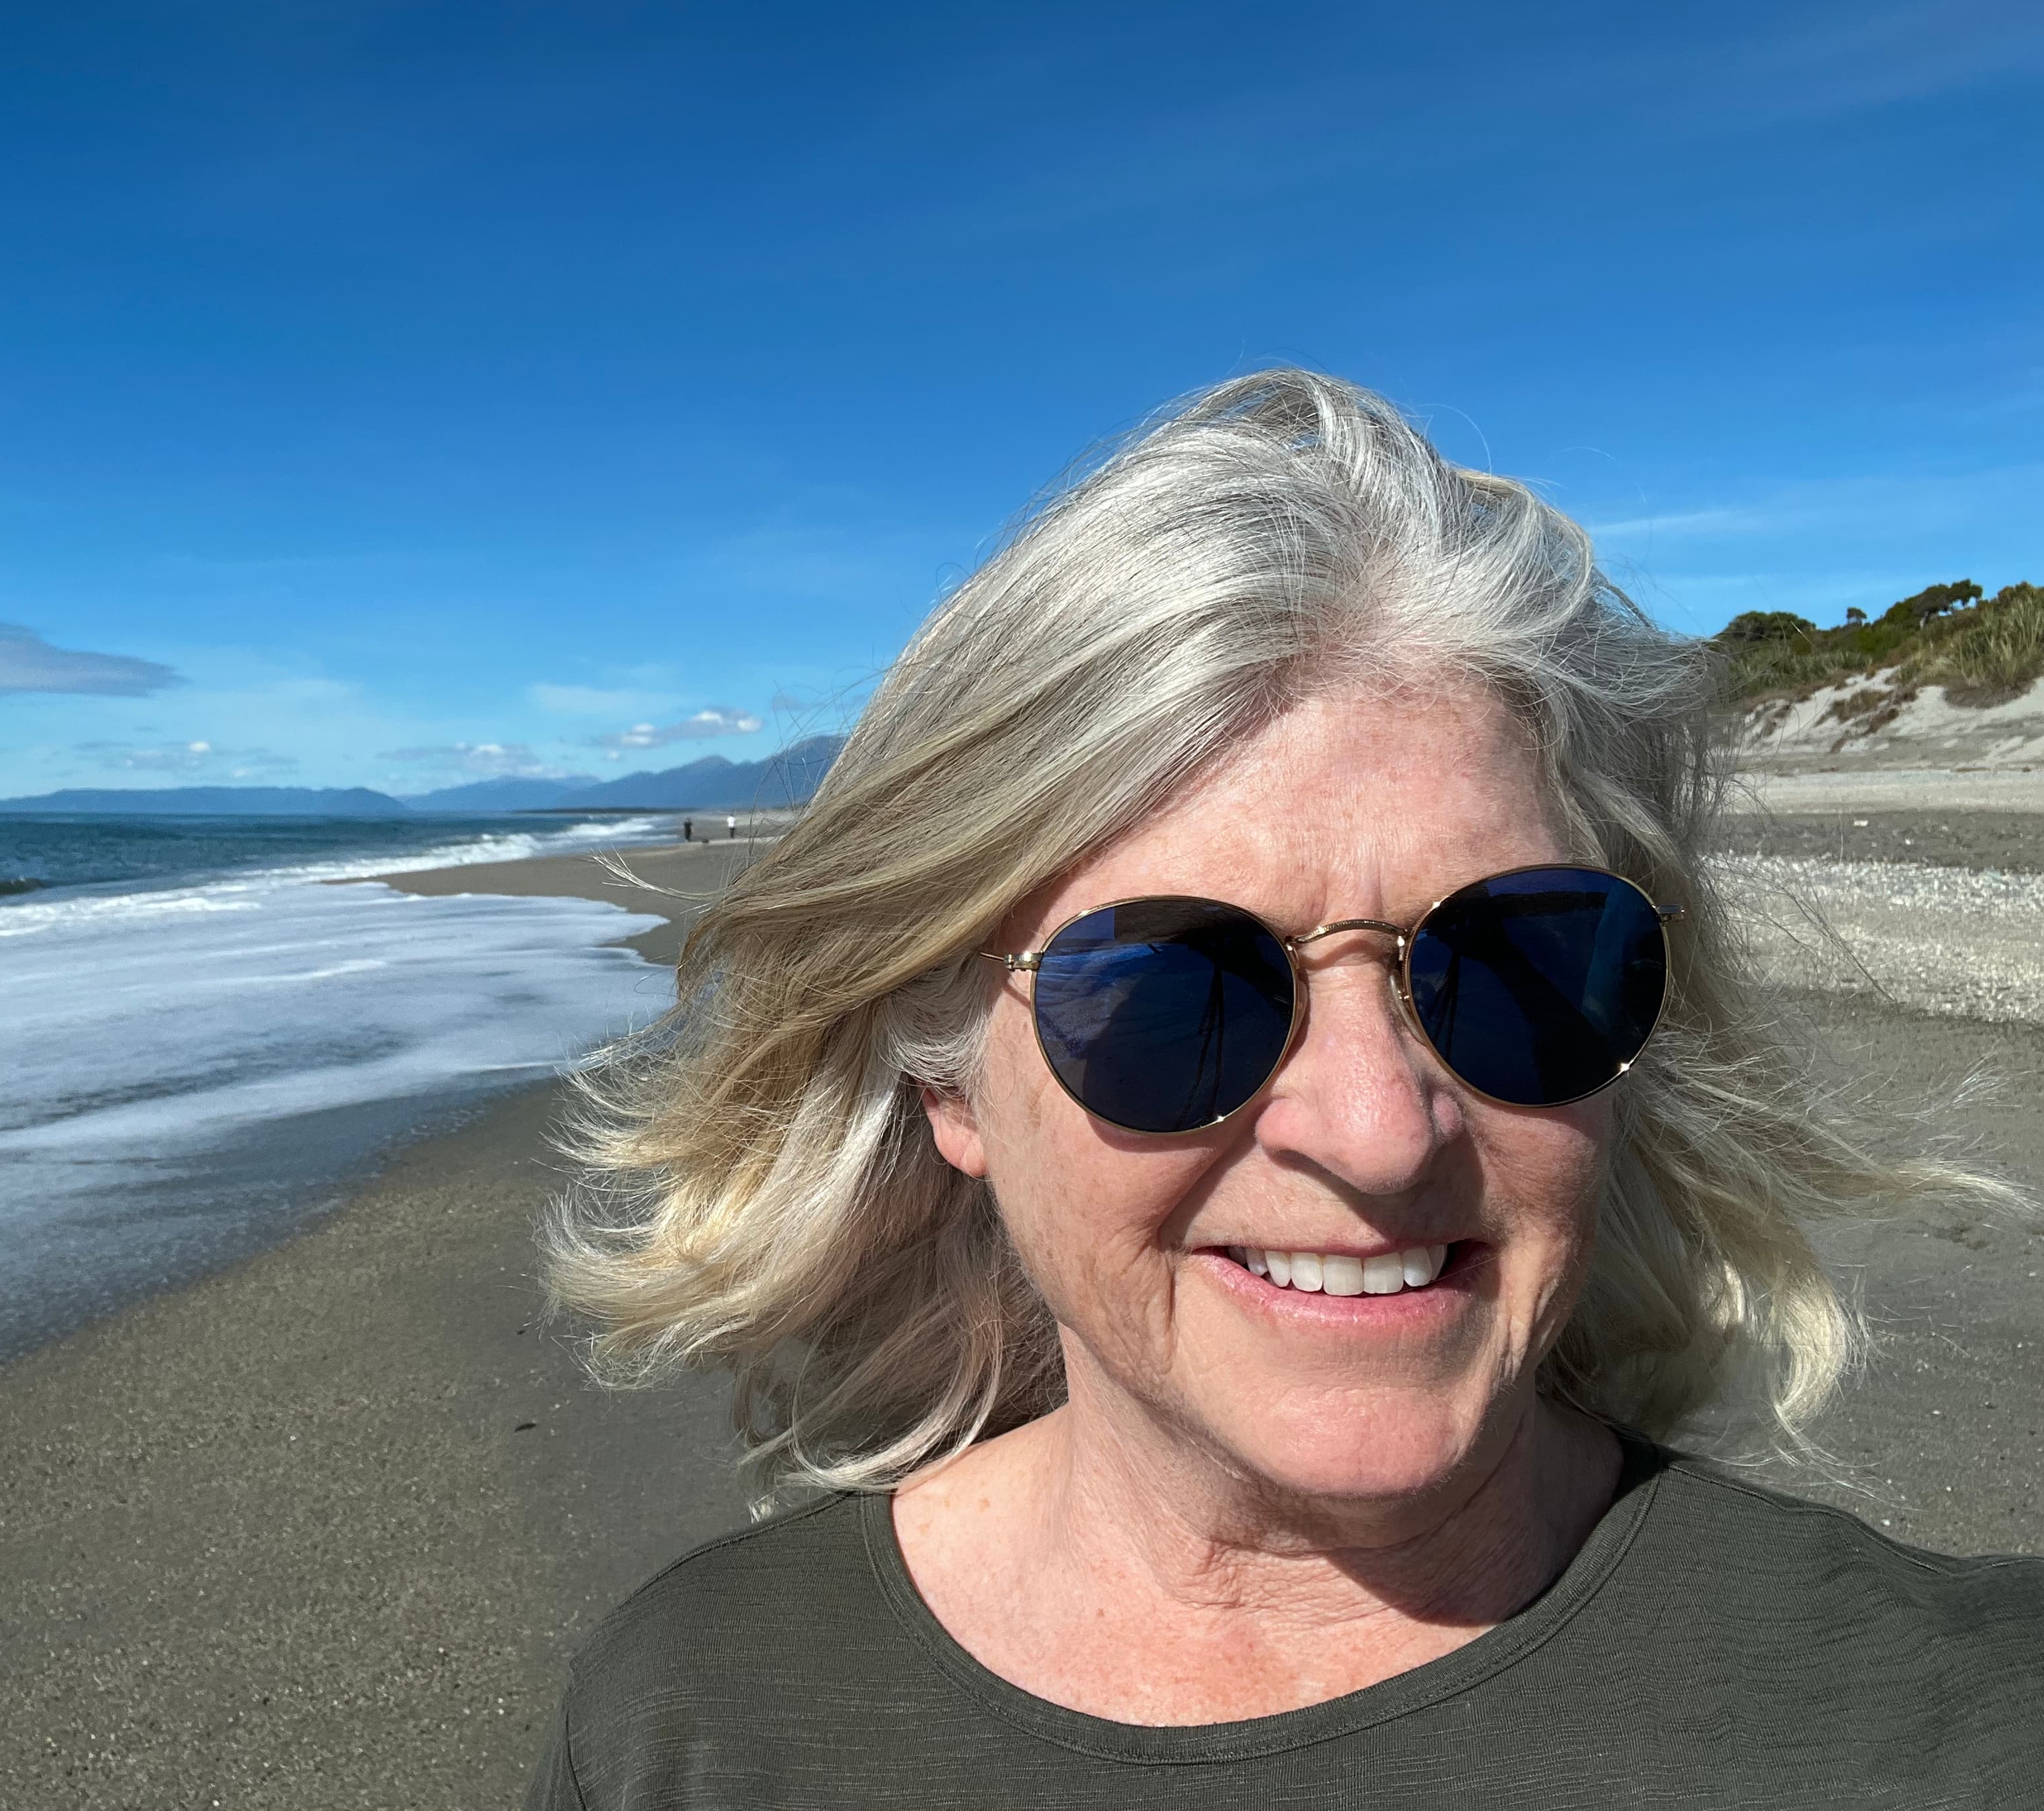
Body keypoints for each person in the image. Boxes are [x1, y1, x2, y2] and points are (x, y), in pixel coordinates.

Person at [523, 371, 2041, 1808]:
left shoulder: (1955, 1720)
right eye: (1178, 993)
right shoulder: (693, 1725)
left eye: (1512, 967)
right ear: (949, 1086)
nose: (1379, 1133)